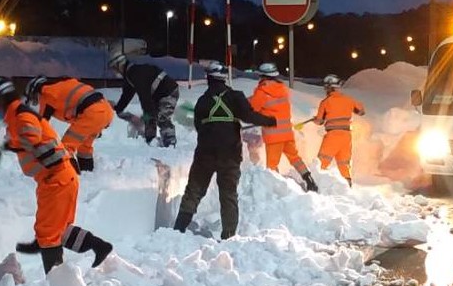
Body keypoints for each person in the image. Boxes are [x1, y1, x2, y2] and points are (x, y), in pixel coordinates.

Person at [0, 77, 112, 273]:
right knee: (54, 229)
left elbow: (31, 138)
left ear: (0, 100)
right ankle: (99, 246)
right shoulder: (16, 117)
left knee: (50, 234)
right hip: (54, 179)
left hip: (57, 178)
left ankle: (55, 279)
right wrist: (4, 143)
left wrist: (8, 144)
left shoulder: (21, 116)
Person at [173, 61, 276, 239]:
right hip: (229, 154)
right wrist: (269, 121)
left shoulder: (202, 101)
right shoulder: (236, 97)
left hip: (205, 153)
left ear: (209, 78)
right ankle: (228, 235)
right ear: (224, 78)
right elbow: (249, 116)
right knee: (228, 194)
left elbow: (198, 126)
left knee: (194, 190)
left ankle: (178, 229)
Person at [249, 62, 318, 192]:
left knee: (272, 165)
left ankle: (275, 191)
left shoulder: (262, 91)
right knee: (295, 158)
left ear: (263, 76)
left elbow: (252, 107)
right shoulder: (282, 89)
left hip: (273, 135)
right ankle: (309, 180)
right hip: (287, 133)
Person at [25, 75, 115, 172]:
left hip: (91, 113)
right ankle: (87, 173)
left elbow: (42, 123)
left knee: (66, 147)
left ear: (36, 90)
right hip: (106, 111)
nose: (36, 100)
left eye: (34, 97)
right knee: (84, 147)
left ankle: (71, 176)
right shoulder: (66, 84)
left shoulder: (46, 93)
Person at [108, 52, 179, 147]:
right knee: (150, 115)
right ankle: (152, 139)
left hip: (168, 91)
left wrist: (149, 120)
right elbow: (127, 95)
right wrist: (118, 109)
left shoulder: (136, 74)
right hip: (158, 94)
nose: (114, 72)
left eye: (113, 68)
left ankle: (170, 142)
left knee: (162, 117)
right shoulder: (130, 75)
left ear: (119, 66)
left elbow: (145, 100)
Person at [306, 74, 366, 186]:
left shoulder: (325, 102)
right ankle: (347, 186)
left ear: (328, 88)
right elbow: (361, 111)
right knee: (344, 164)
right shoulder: (348, 100)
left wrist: (315, 119)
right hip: (346, 136)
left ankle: (316, 185)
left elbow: (320, 121)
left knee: (321, 163)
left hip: (333, 136)